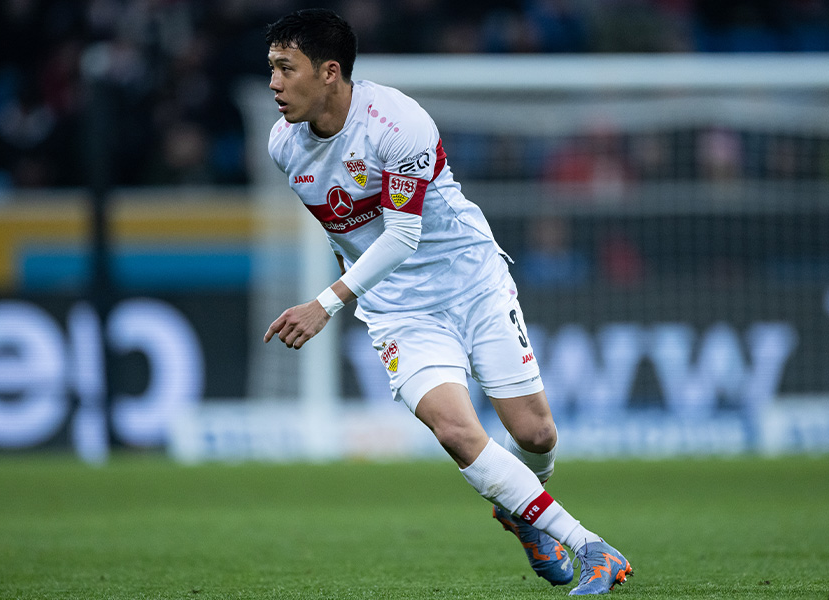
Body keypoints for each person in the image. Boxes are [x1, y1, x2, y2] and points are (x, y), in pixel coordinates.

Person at [261, 8, 632, 595]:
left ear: (329, 72)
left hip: (472, 281)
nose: (274, 83)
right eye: (272, 68)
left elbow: (402, 236)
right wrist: (364, 299)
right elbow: (343, 235)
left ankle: (522, 512)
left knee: (535, 435)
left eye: (287, 68)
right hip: (399, 311)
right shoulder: (285, 146)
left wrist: (324, 304)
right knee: (457, 432)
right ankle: (592, 548)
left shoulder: (397, 123)